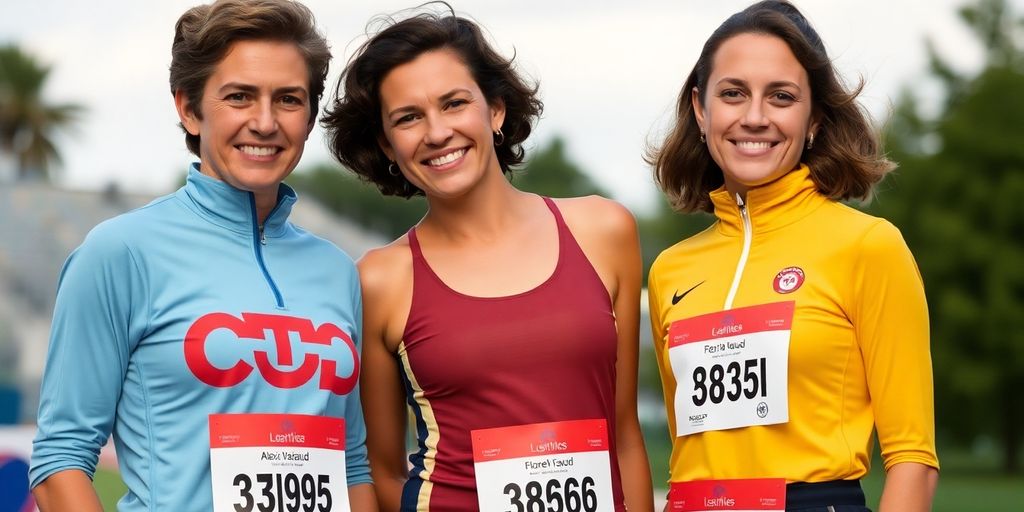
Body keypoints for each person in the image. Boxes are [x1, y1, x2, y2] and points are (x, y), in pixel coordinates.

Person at [29, 1, 376, 510]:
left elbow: (352, 463)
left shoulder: (337, 270)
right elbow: (60, 458)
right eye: (239, 97)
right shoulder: (119, 251)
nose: (264, 122)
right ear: (189, 108)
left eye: (288, 99)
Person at [322, 6, 654, 512]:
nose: (436, 133)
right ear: (388, 144)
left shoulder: (604, 231)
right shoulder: (379, 279)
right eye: (408, 118)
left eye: (454, 104)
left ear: (495, 110)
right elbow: (383, 470)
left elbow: (625, 435)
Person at [646, 1, 939, 511]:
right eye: (733, 93)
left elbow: (913, 458)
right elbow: (685, 450)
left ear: (814, 120)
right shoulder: (670, 269)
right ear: (700, 109)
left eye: (781, 97)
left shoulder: (869, 246)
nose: (754, 117)